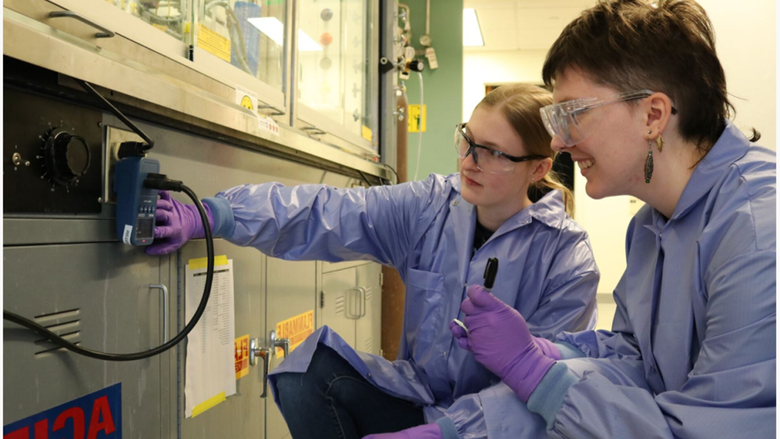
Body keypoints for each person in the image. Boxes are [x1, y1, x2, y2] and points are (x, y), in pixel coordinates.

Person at [147, 84, 600, 439]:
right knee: (307, 371)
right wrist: (217, 215)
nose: (469, 161)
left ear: (538, 169)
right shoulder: (431, 207)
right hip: (418, 398)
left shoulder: (566, 258)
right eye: (467, 141)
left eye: (494, 153)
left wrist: (449, 432)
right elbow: (327, 212)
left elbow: (549, 394)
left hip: (499, 429)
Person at [447, 0, 776, 438]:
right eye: (554, 118)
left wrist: (531, 370)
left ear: (653, 115)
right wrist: (543, 351)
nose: (557, 143)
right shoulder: (649, 227)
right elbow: (635, 359)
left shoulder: (757, 228)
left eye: (573, 115)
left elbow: (708, 430)